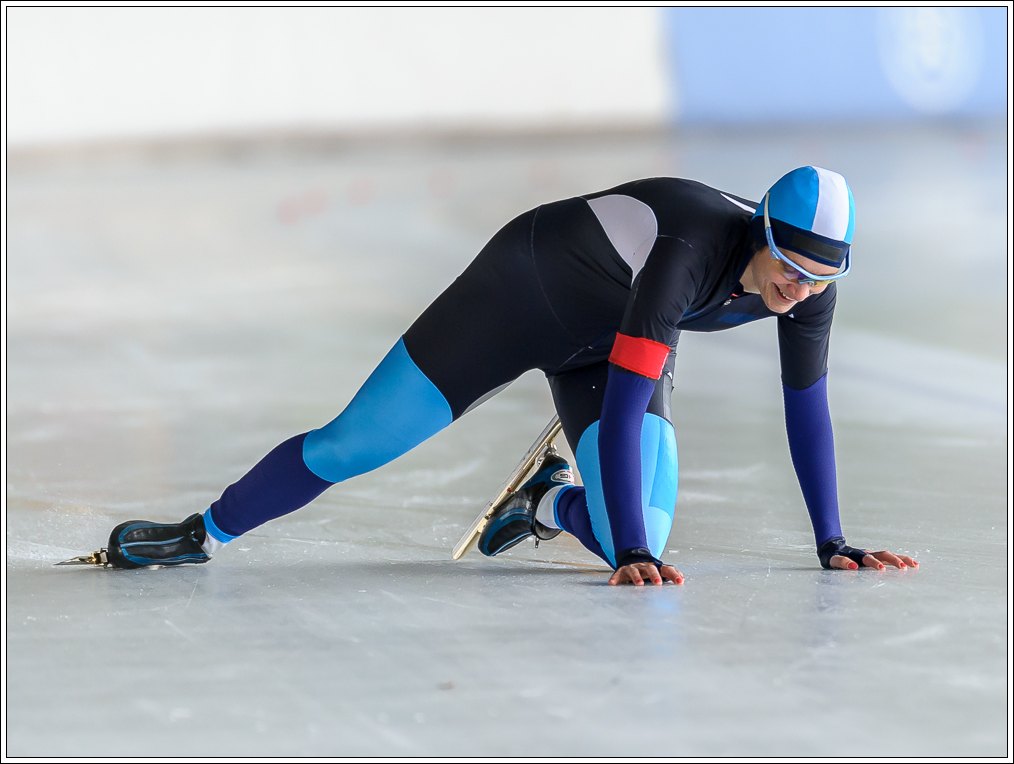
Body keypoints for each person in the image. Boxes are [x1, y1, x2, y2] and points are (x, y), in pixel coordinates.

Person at [100, 166, 919, 584]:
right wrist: (624, 545)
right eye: (789, 265)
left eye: (820, 277)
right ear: (761, 233)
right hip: (520, 293)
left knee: (652, 537)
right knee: (353, 445)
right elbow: (631, 401)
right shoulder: (691, 250)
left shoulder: (808, 295)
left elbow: (807, 412)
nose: (800, 288)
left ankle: (547, 503)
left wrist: (831, 541)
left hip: (609, 339)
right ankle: (203, 531)